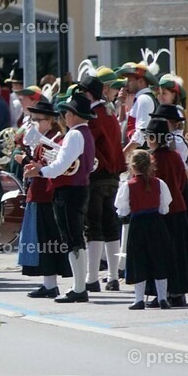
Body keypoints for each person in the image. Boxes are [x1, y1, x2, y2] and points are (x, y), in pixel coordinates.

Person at [23, 97, 96, 303]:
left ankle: (79, 288)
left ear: (72, 115)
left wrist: (39, 171)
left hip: (68, 190)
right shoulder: (86, 133)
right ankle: (79, 286)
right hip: (79, 188)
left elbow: (61, 165)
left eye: (66, 113)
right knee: (75, 238)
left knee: (72, 240)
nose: (64, 117)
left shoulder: (74, 134)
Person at [74, 75, 126, 291]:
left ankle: (92, 278)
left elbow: (87, 146)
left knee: (93, 227)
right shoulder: (110, 112)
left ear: (88, 94)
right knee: (110, 225)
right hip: (113, 175)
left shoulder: (93, 116)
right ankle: (113, 277)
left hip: (97, 175)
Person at [15, 101, 72, 297]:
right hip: (40, 194)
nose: (35, 123)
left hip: (46, 195)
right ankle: (49, 283)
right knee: (43, 240)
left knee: (48, 240)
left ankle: (51, 285)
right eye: (34, 119)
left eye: (38, 120)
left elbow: (48, 167)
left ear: (49, 121)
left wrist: (26, 161)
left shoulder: (55, 139)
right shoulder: (42, 140)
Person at [145, 118, 188, 307]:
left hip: (162, 212)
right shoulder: (175, 156)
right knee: (178, 253)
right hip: (179, 209)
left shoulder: (152, 160)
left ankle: (164, 293)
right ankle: (178, 292)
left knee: (162, 254)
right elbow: (183, 181)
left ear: (153, 138)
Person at [115, 150, 173, 310]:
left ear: (132, 167)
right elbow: (164, 208)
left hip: (138, 224)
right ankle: (162, 298)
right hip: (156, 223)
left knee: (138, 260)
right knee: (159, 259)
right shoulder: (159, 183)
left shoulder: (128, 186)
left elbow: (122, 210)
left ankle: (139, 299)